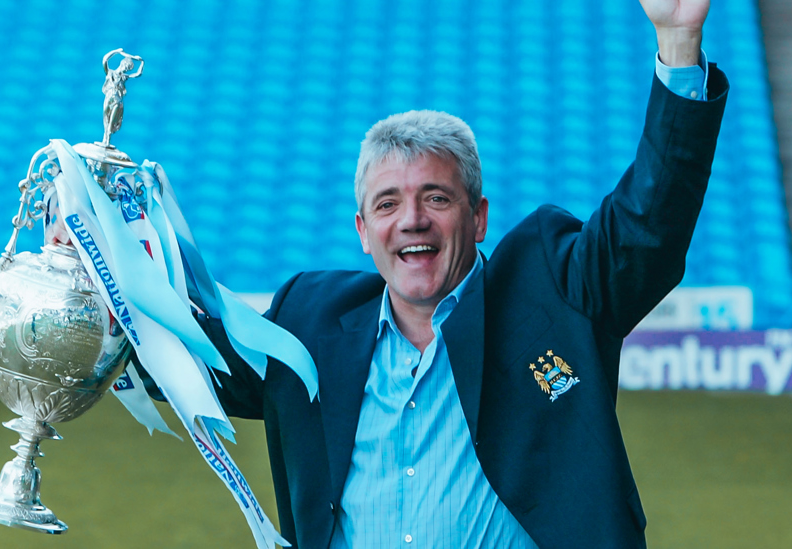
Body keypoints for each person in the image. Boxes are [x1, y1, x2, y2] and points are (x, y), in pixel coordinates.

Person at [179, 1, 726, 547]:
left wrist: (679, 42)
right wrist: (105, 307)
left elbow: (647, 225)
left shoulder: (555, 289)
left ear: (479, 217)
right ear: (363, 230)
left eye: (435, 197)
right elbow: (191, 364)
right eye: (387, 204)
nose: (412, 220)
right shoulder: (310, 321)